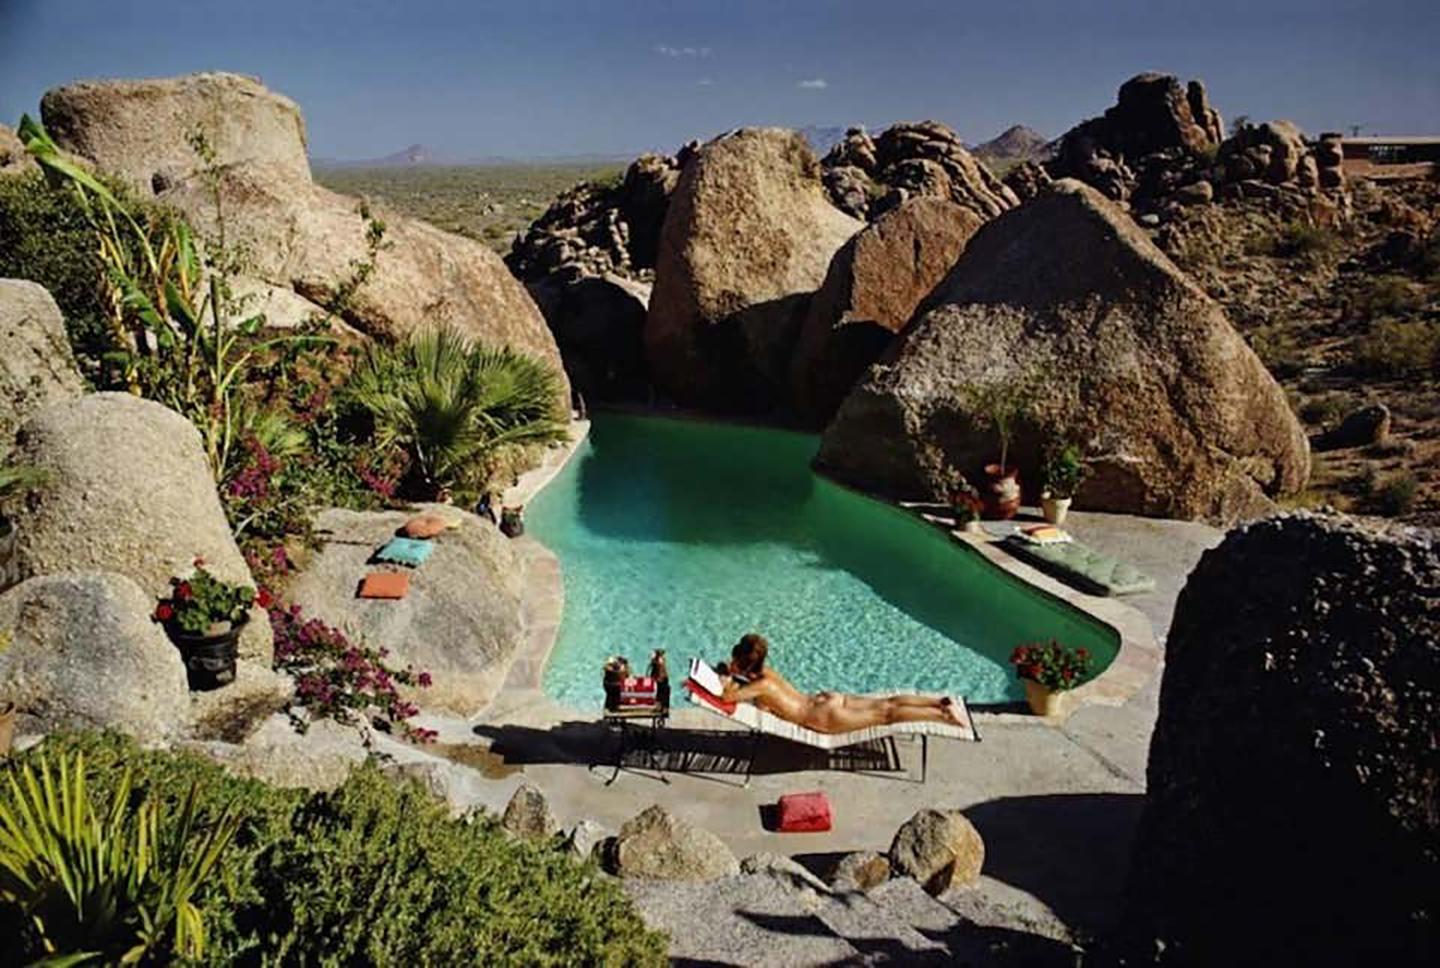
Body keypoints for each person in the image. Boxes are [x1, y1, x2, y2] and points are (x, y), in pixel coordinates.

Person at [717, 633, 966, 734]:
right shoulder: (767, 675)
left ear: (742, 662)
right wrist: (737, 671)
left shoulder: (760, 686)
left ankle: (943, 717)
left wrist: (726, 677)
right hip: (824, 699)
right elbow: (760, 695)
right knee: (886, 703)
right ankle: (938, 702)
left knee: (887, 715)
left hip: (822, 716)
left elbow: (727, 697)